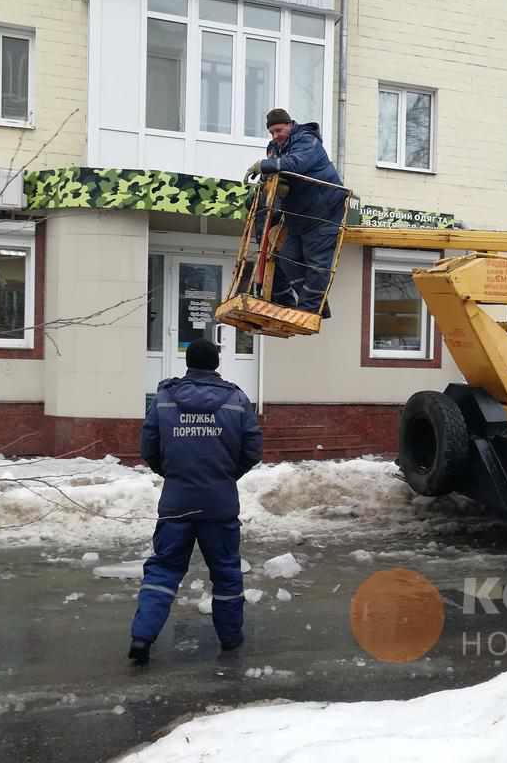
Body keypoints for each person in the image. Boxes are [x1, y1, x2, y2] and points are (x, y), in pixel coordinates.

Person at [128, 339, 263, 664]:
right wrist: (226, 475)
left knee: (163, 569)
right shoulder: (237, 400)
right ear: (217, 363)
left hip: (177, 502)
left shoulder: (164, 399)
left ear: (187, 362)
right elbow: (253, 449)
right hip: (220, 504)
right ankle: (230, 640)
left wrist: (174, 474)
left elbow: (149, 448)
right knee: (226, 572)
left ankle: (142, 638)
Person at [245, 108, 346, 315]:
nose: (275, 136)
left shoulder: (307, 140)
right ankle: (316, 305)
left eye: (279, 130)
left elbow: (296, 164)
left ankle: (310, 310)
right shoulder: (274, 148)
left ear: (290, 125)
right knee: (287, 257)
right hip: (298, 215)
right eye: (272, 132)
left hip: (324, 211)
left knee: (317, 262)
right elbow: (275, 174)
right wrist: (261, 187)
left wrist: (263, 166)